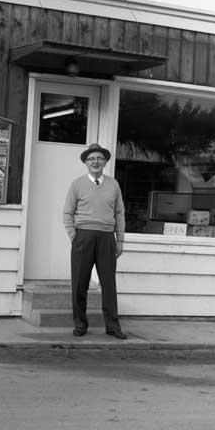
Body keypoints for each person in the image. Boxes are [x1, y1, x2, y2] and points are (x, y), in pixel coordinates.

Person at [63, 143, 127, 339]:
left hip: (107, 237)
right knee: (79, 283)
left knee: (108, 284)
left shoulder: (113, 185)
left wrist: (120, 240)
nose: (95, 162)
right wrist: (74, 236)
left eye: (99, 158)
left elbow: (120, 213)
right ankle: (80, 324)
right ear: (86, 163)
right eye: (91, 159)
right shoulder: (77, 184)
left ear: (105, 162)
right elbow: (67, 212)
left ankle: (112, 326)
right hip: (83, 236)